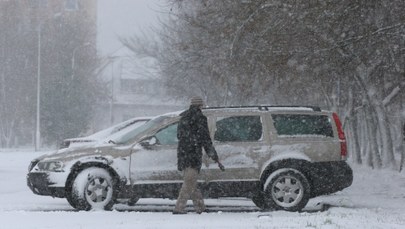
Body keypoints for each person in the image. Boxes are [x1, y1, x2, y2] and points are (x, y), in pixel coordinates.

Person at [173, 96, 223, 214]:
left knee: (191, 181)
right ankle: (178, 208)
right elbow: (205, 139)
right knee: (189, 182)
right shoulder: (200, 118)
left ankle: (200, 207)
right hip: (193, 155)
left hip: (183, 154)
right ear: (200, 106)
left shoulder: (183, 117)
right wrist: (213, 154)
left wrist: (187, 144)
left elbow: (179, 136)